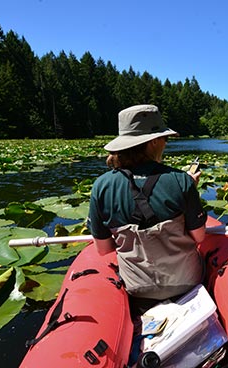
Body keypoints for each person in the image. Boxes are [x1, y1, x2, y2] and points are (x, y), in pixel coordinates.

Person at [88, 104, 206, 314]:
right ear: (152, 142)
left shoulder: (101, 186)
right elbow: (199, 237)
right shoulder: (181, 181)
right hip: (186, 282)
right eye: (164, 138)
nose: (165, 143)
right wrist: (188, 189)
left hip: (136, 289)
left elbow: (104, 249)